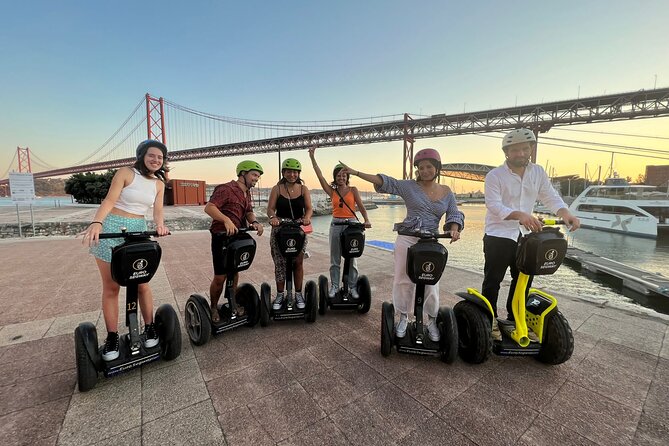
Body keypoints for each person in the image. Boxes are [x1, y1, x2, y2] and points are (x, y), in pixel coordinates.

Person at [341, 148, 464, 342]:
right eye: (421, 167)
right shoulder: (409, 186)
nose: (425, 171)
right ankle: (403, 317)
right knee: (403, 280)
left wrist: (454, 229)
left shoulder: (447, 192)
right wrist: (355, 172)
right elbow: (385, 182)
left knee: (431, 284)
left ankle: (431, 319)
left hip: (431, 241)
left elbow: (454, 214)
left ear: (437, 168)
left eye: (429, 167)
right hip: (407, 237)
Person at [483, 128, 580, 340]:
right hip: (498, 235)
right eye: (515, 150)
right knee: (493, 280)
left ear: (531, 150)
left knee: (524, 280)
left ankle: (512, 319)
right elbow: (494, 206)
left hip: (525, 235)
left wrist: (566, 214)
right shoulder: (495, 176)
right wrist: (520, 215)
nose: (520, 153)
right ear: (506, 152)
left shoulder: (537, 172)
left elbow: (550, 197)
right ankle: (488, 321)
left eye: (524, 149)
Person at [80, 139, 170, 361]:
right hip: (112, 226)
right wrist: (97, 223)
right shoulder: (125, 173)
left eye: (160, 157)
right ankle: (112, 337)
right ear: (141, 155)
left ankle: (149, 327)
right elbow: (110, 200)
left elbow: (158, 210)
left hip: (138, 229)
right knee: (111, 287)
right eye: (152, 155)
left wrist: (159, 225)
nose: (156, 160)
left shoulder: (158, 183)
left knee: (141, 284)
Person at [204, 160, 264, 323]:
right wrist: (226, 220)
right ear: (243, 173)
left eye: (258, 176)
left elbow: (249, 212)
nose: (256, 178)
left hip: (238, 236)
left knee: (235, 270)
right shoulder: (226, 189)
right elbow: (209, 207)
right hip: (221, 236)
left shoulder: (247, 192)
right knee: (220, 276)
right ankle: (214, 306)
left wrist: (255, 222)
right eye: (254, 175)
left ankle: (232, 302)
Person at [308, 146, 371, 299]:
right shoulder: (332, 191)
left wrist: (367, 220)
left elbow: (361, 207)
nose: (341, 178)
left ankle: (352, 287)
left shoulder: (353, 190)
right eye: (338, 176)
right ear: (335, 177)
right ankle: (335, 286)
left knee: (352, 259)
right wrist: (312, 157)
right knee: (335, 259)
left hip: (351, 225)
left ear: (347, 177)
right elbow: (320, 176)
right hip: (336, 225)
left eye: (344, 175)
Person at [266, 158, 313, 310]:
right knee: (280, 264)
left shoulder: (303, 188)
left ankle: (298, 294)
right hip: (280, 229)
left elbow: (309, 208)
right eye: (288, 171)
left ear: (299, 173)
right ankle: (280, 295)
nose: (292, 174)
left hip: (298, 229)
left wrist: (307, 218)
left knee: (298, 262)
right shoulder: (277, 189)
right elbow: (270, 209)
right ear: (283, 172)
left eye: (295, 171)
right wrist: (273, 218)